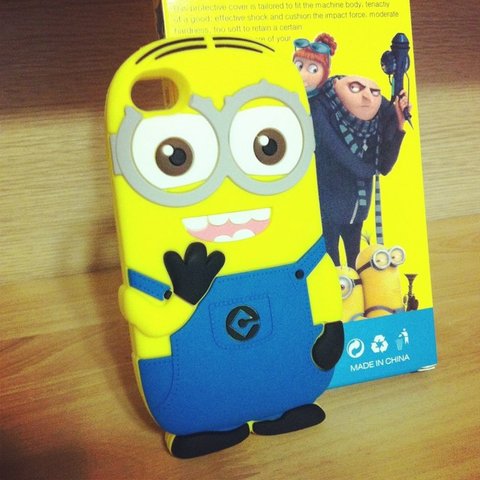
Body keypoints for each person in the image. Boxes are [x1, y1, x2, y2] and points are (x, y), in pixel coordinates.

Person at [309, 74, 411, 267]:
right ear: (336, 86)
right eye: (355, 88)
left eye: (374, 92)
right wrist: (370, 170)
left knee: (355, 261)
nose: (367, 97)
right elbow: (339, 152)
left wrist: (399, 123)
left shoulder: (375, 123)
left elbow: (385, 167)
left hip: (358, 209)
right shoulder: (320, 107)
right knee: (331, 262)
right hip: (328, 209)